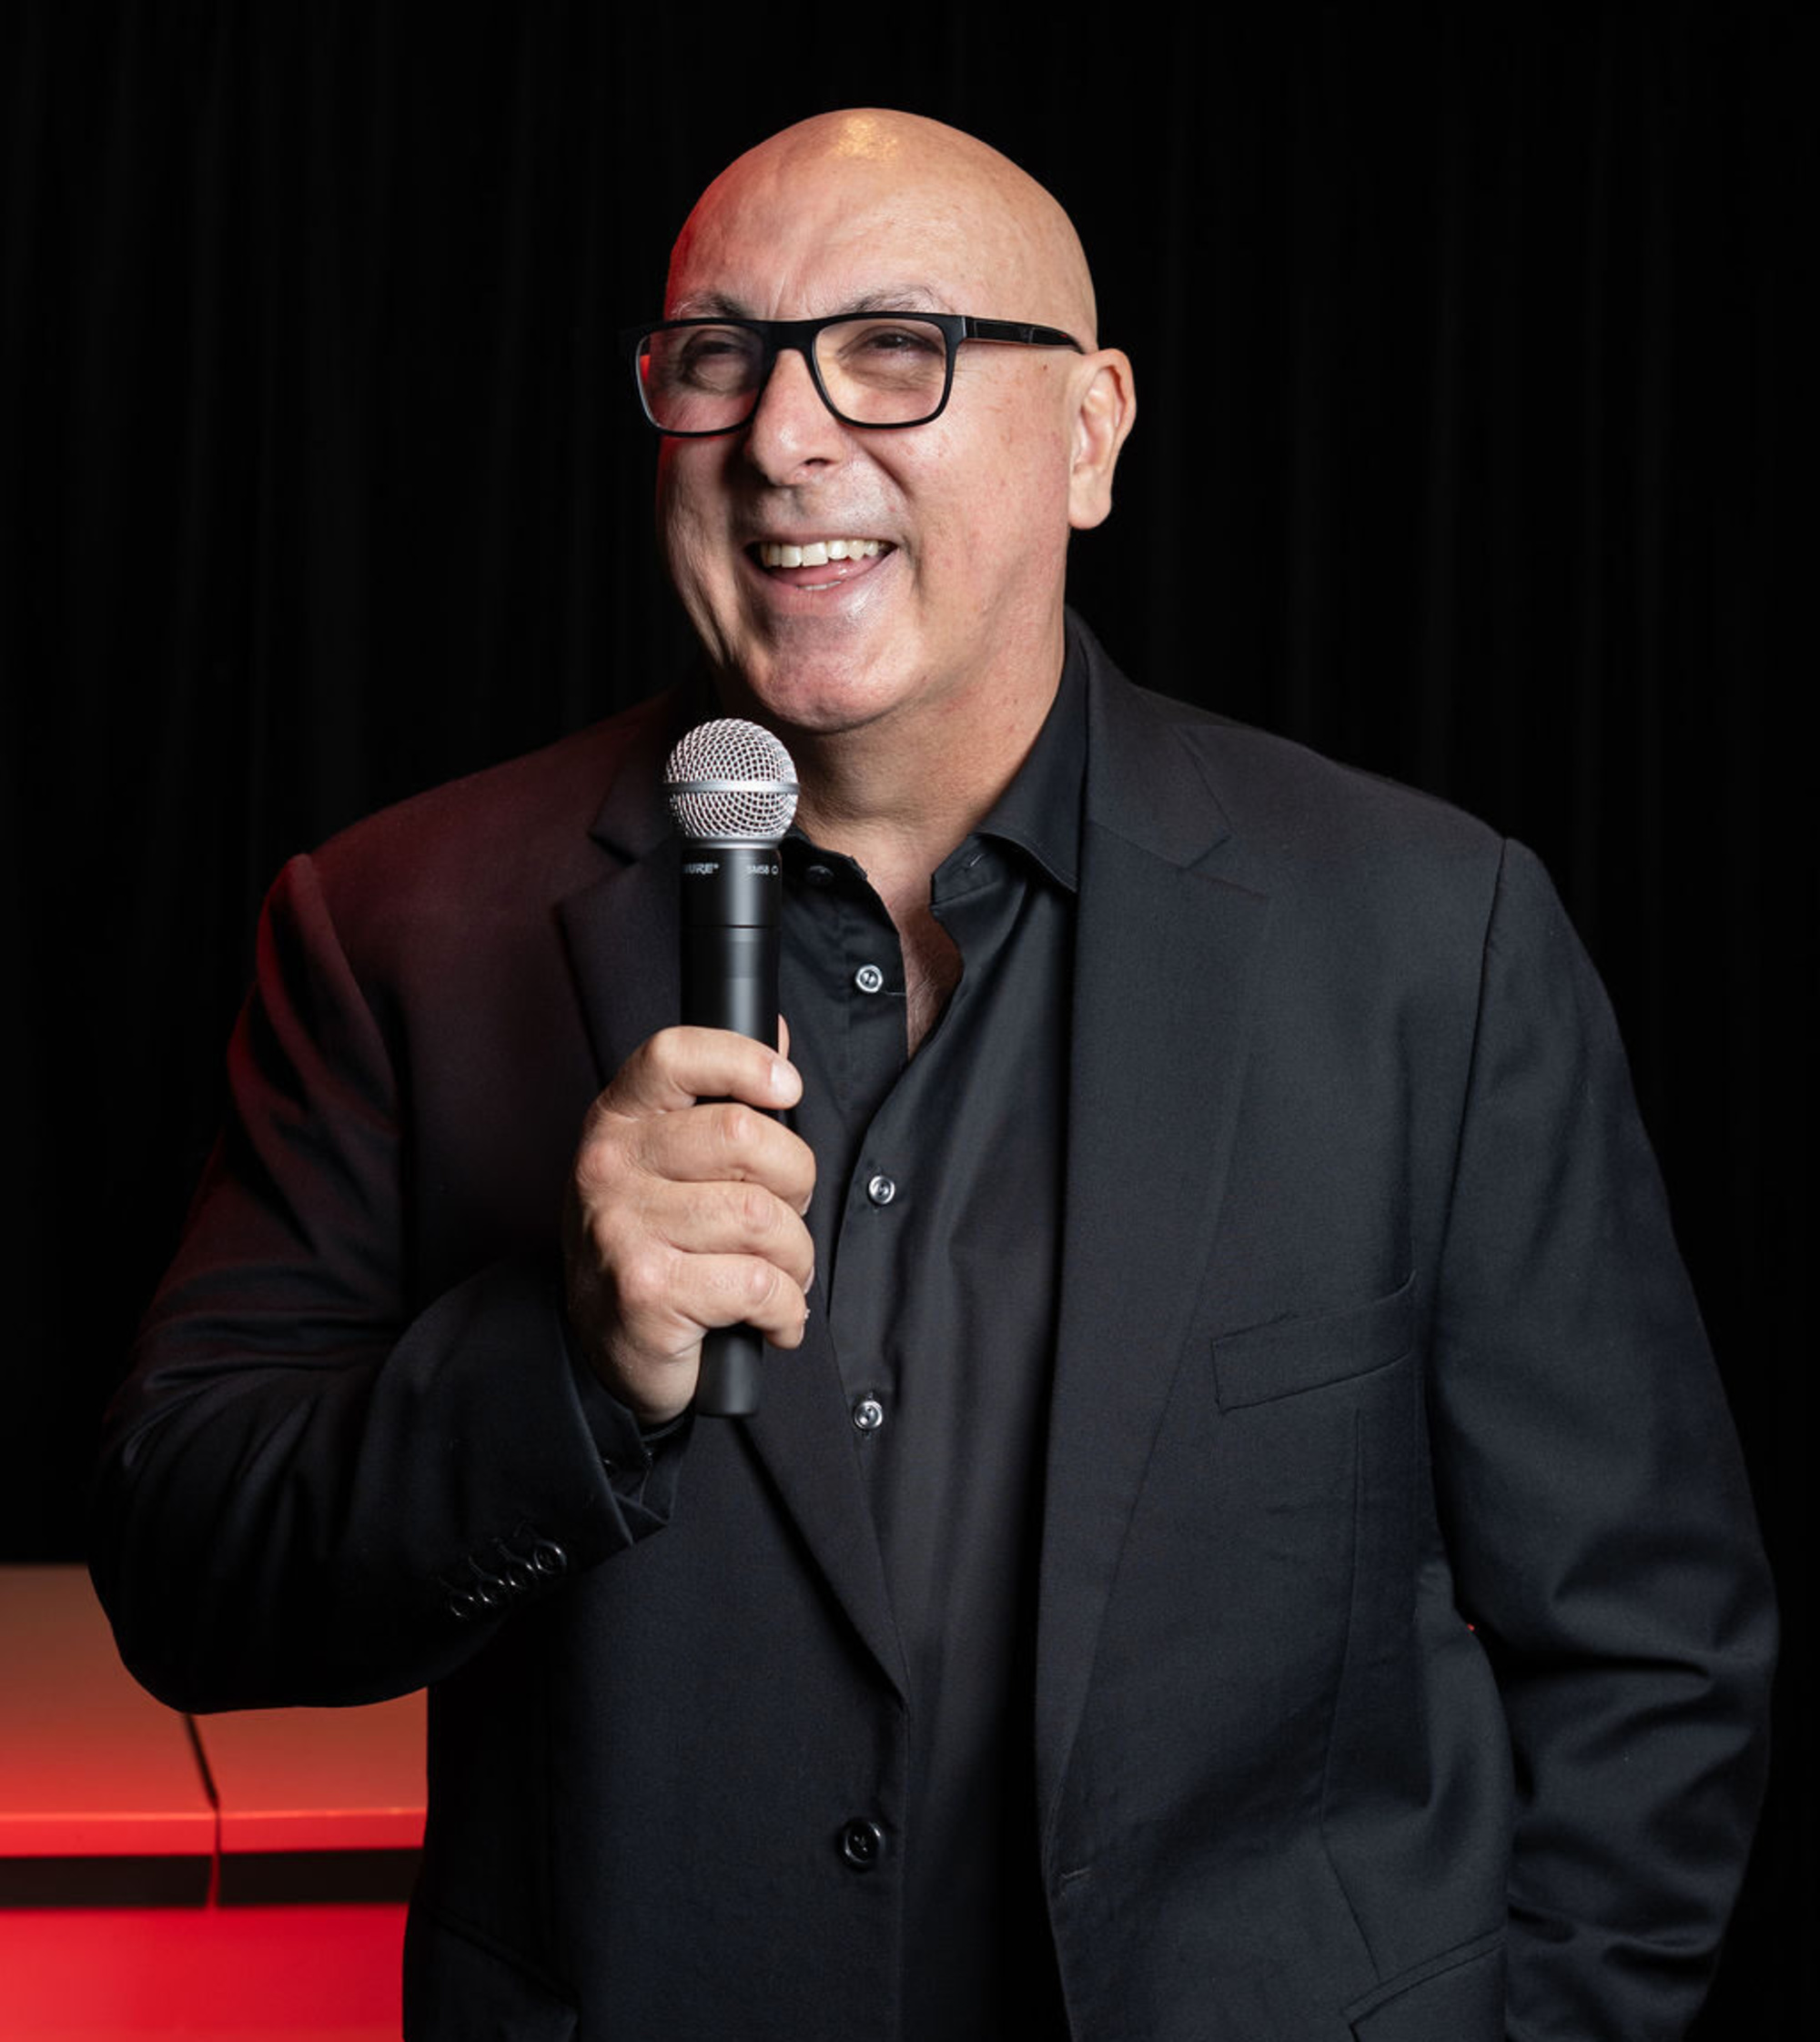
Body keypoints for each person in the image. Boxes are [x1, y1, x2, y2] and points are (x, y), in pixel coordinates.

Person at [93, 109, 1773, 2041]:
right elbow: (185, 1569)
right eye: (716, 356)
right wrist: (560, 1355)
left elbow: (1652, 1655)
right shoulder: (398, 923)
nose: (785, 436)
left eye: (898, 348)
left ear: (1089, 435)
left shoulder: (1424, 941)